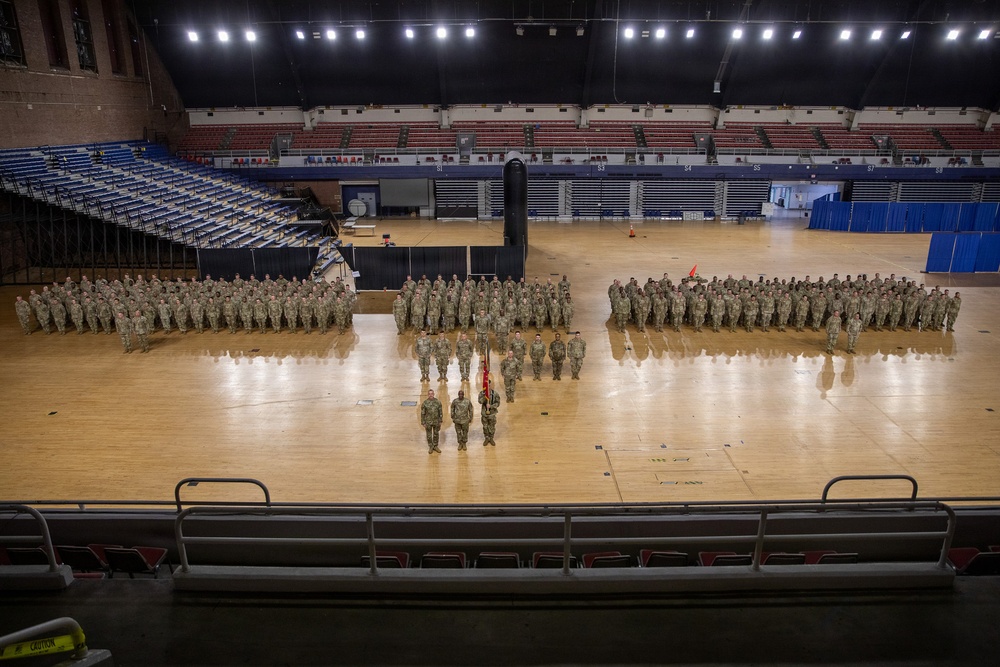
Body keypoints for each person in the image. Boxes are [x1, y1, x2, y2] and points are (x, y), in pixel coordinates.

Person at [478, 377, 501, 446]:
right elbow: (480, 401)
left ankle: (491, 438)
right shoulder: (482, 393)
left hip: (492, 414)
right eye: (486, 386)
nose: (488, 387)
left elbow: (498, 403)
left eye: (489, 385)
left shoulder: (495, 394)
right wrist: (485, 397)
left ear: (491, 385)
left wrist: (491, 406)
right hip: (484, 414)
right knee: (485, 427)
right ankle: (486, 438)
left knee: (492, 427)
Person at [420, 389, 443, 454]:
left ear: (434, 394)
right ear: (428, 395)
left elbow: (440, 412)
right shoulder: (425, 403)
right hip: (428, 422)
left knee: (436, 434)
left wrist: (440, 421)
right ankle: (431, 446)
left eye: (432, 394)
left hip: (436, 421)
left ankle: (435, 446)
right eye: (429, 394)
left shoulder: (438, 402)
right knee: (429, 435)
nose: (431, 395)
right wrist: (423, 422)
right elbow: (422, 413)